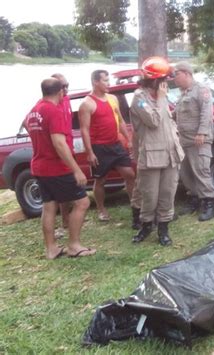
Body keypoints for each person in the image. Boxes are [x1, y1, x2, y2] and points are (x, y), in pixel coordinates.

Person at [25, 78, 95, 259]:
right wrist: (76, 170)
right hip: (56, 168)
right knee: (82, 202)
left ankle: (51, 249)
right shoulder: (53, 111)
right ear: (60, 92)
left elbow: (28, 125)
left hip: (39, 166)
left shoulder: (35, 110)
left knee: (49, 207)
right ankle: (74, 245)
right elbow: (59, 143)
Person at [129, 56, 184, 245]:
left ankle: (163, 229)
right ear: (154, 80)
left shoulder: (162, 96)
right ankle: (145, 226)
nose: (166, 83)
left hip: (171, 154)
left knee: (168, 193)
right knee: (150, 195)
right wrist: (161, 99)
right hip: (152, 156)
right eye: (163, 80)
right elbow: (153, 121)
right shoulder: (140, 98)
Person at [78, 70, 135, 222]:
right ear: (95, 82)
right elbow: (84, 129)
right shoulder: (87, 103)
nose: (108, 83)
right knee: (101, 180)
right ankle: (101, 209)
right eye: (105, 80)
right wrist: (90, 152)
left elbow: (121, 121)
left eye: (108, 80)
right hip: (99, 148)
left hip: (115, 144)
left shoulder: (112, 98)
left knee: (130, 174)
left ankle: (135, 204)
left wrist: (127, 139)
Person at [173, 62, 214, 221]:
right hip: (184, 140)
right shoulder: (182, 94)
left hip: (198, 139)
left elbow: (207, 113)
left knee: (201, 171)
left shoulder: (201, 90)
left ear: (186, 73)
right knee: (186, 173)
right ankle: (194, 199)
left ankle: (209, 203)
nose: (174, 78)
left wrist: (202, 133)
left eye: (176, 74)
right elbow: (177, 114)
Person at [51, 73, 72, 238]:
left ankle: (66, 221)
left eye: (67, 85)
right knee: (56, 194)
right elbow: (27, 121)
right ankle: (59, 225)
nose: (66, 89)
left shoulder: (67, 99)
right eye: (63, 86)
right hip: (58, 153)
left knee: (66, 192)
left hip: (68, 148)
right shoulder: (49, 105)